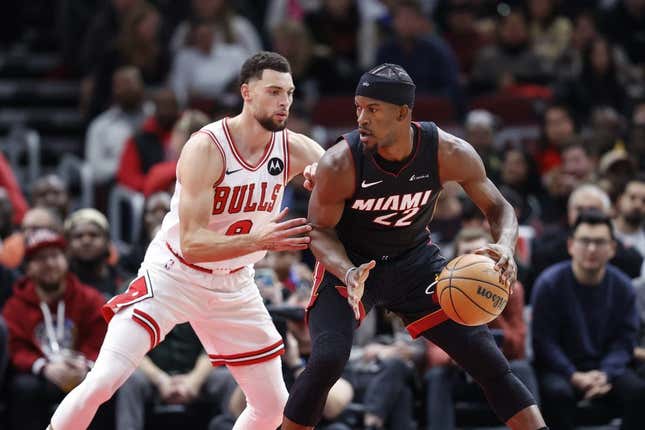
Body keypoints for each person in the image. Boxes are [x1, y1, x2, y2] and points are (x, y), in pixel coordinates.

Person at [47, 51, 324, 430]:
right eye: (274, 91)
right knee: (103, 380)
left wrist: (336, 183)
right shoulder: (207, 147)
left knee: (273, 406)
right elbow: (193, 243)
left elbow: (344, 180)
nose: (284, 102)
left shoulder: (295, 148)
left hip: (233, 282)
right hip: (175, 273)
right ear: (246, 92)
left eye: (289, 93)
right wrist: (259, 239)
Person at [282, 64, 547, 430]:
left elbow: (500, 207)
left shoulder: (448, 152)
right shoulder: (341, 161)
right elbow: (319, 230)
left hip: (414, 263)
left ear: (403, 113)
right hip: (354, 264)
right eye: (358, 107)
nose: (361, 117)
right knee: (327, 359)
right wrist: (347, 270)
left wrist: (504, 245)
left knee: (487, 358)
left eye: (372, 109)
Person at [531, 210, 645, 430]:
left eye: (600, 242)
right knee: (557, 395)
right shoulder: (549, 284)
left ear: (612, 248)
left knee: (639, 393)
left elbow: (625, 341)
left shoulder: (622, 287)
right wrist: (573, 375)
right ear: (571, 245)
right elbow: (544, 342)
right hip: (561, 369)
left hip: (607, 369)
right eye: (585, 241)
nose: (592, 249)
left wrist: (605, 374)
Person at [425, 227, 539, 430]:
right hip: (461, 373)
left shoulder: (512, 289)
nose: (472, 260)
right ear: (455, 260)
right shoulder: (443, 290)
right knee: (437, 377)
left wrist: (486, 304)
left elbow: (519, 346)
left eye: (478, 254)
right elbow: (434, 354)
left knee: (523, 369)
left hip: (500, 370)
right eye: (466, 254)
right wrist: (461, 354)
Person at [3, 228, 107, 430]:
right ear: (29, 267)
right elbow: (15, 348)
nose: (50, 264)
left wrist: (85, 364)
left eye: (55, 256)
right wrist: (43, 367)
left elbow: (100, 337)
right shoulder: (15, 306)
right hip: (41, 375)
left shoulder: (89, 298)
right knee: (22, 388)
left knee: (102, 385)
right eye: (41, 258)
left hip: (80, 370)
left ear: (66, 260)